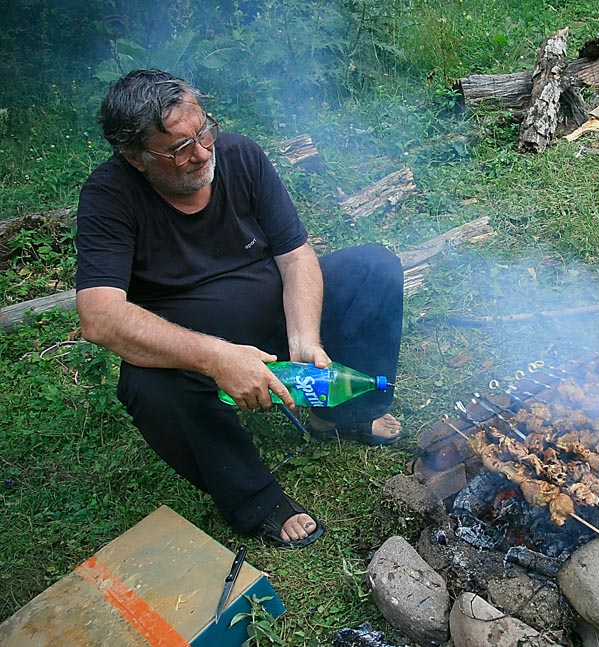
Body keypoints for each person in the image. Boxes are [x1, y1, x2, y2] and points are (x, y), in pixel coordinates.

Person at [75, 69, 403, 548]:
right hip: (196, 351)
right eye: (178, 148)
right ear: (135, 157)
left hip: (275, 319)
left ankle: (340, 415)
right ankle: (255, 498)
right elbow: (100, 315)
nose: (202, 153)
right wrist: (218, 359)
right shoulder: (109, 196)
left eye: (203, 130)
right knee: (146, 385)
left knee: (373, 266)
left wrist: (305, 338)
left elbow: (295, 256)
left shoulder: (240, 155)